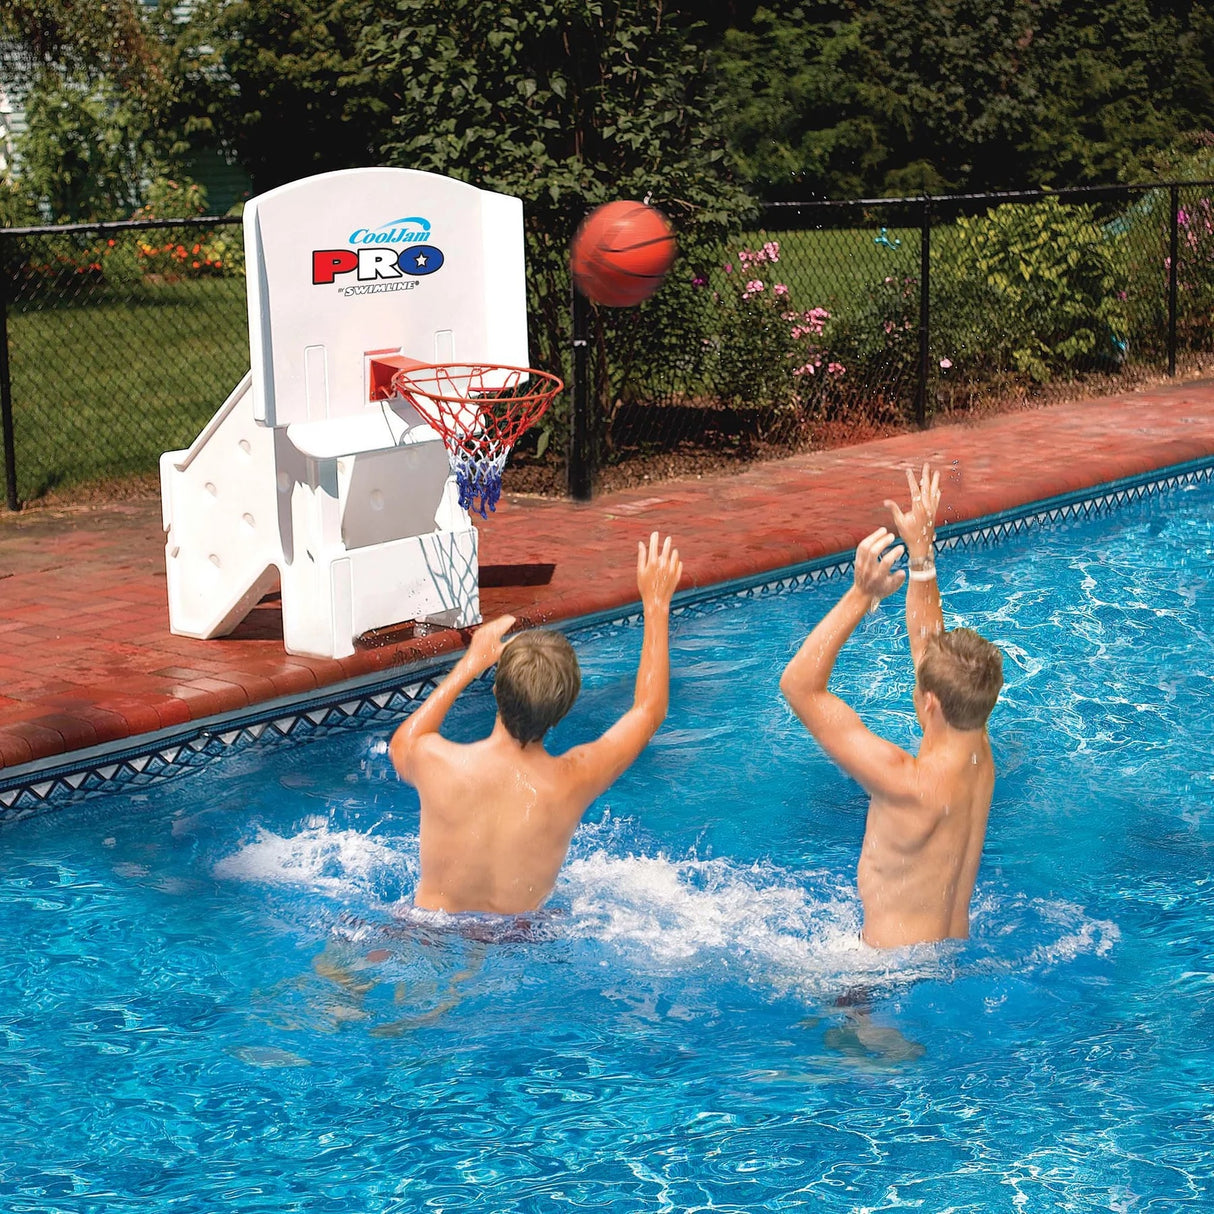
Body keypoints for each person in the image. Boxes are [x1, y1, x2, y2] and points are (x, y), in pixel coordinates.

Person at [389, 531, 683, 916]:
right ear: (564, 709)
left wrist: (470, 663)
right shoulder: (571, 780)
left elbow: (403, 742)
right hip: (519, 941)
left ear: (496, 689)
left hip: (427, 933)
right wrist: (656, 604)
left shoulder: (435, 761)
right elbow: (648, 711)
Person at [779, 465, 1003, 949]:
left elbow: (799, 687)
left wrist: (862, 595)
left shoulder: (903, 780)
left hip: (880, 979)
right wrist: (921, 556)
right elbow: (930, 651)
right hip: (949, 959)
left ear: (931, 705)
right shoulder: (979, 751)